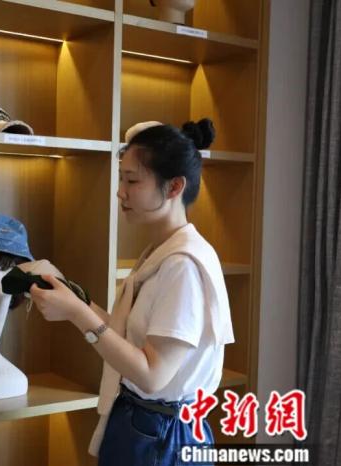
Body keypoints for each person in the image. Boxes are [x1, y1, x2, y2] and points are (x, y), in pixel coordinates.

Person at [29, 119, 235, 465]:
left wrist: (77, 314)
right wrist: (75, 300)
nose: (120, 192)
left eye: (132, 180)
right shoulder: (162, 252)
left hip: (161, 434)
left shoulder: (182, 266)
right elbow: (129, 336)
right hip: (143, 422)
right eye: (121, 179)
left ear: (174, 187)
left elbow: (152, 375)